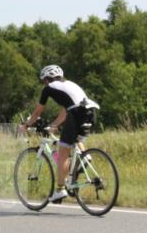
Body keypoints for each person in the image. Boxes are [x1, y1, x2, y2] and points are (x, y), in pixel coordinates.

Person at [20, 65, 98, 202]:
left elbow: (38, 111)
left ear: (46, 79)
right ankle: (85, 157)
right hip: (91, 112)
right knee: (74, 140)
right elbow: (65, 111)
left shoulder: (49, 88)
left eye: (43, 80)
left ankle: (60, 190)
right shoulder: (70, 84)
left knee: (63, 152)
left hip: (76, 113)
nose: (44, 83)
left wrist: (26, 125)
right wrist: (54, 125)